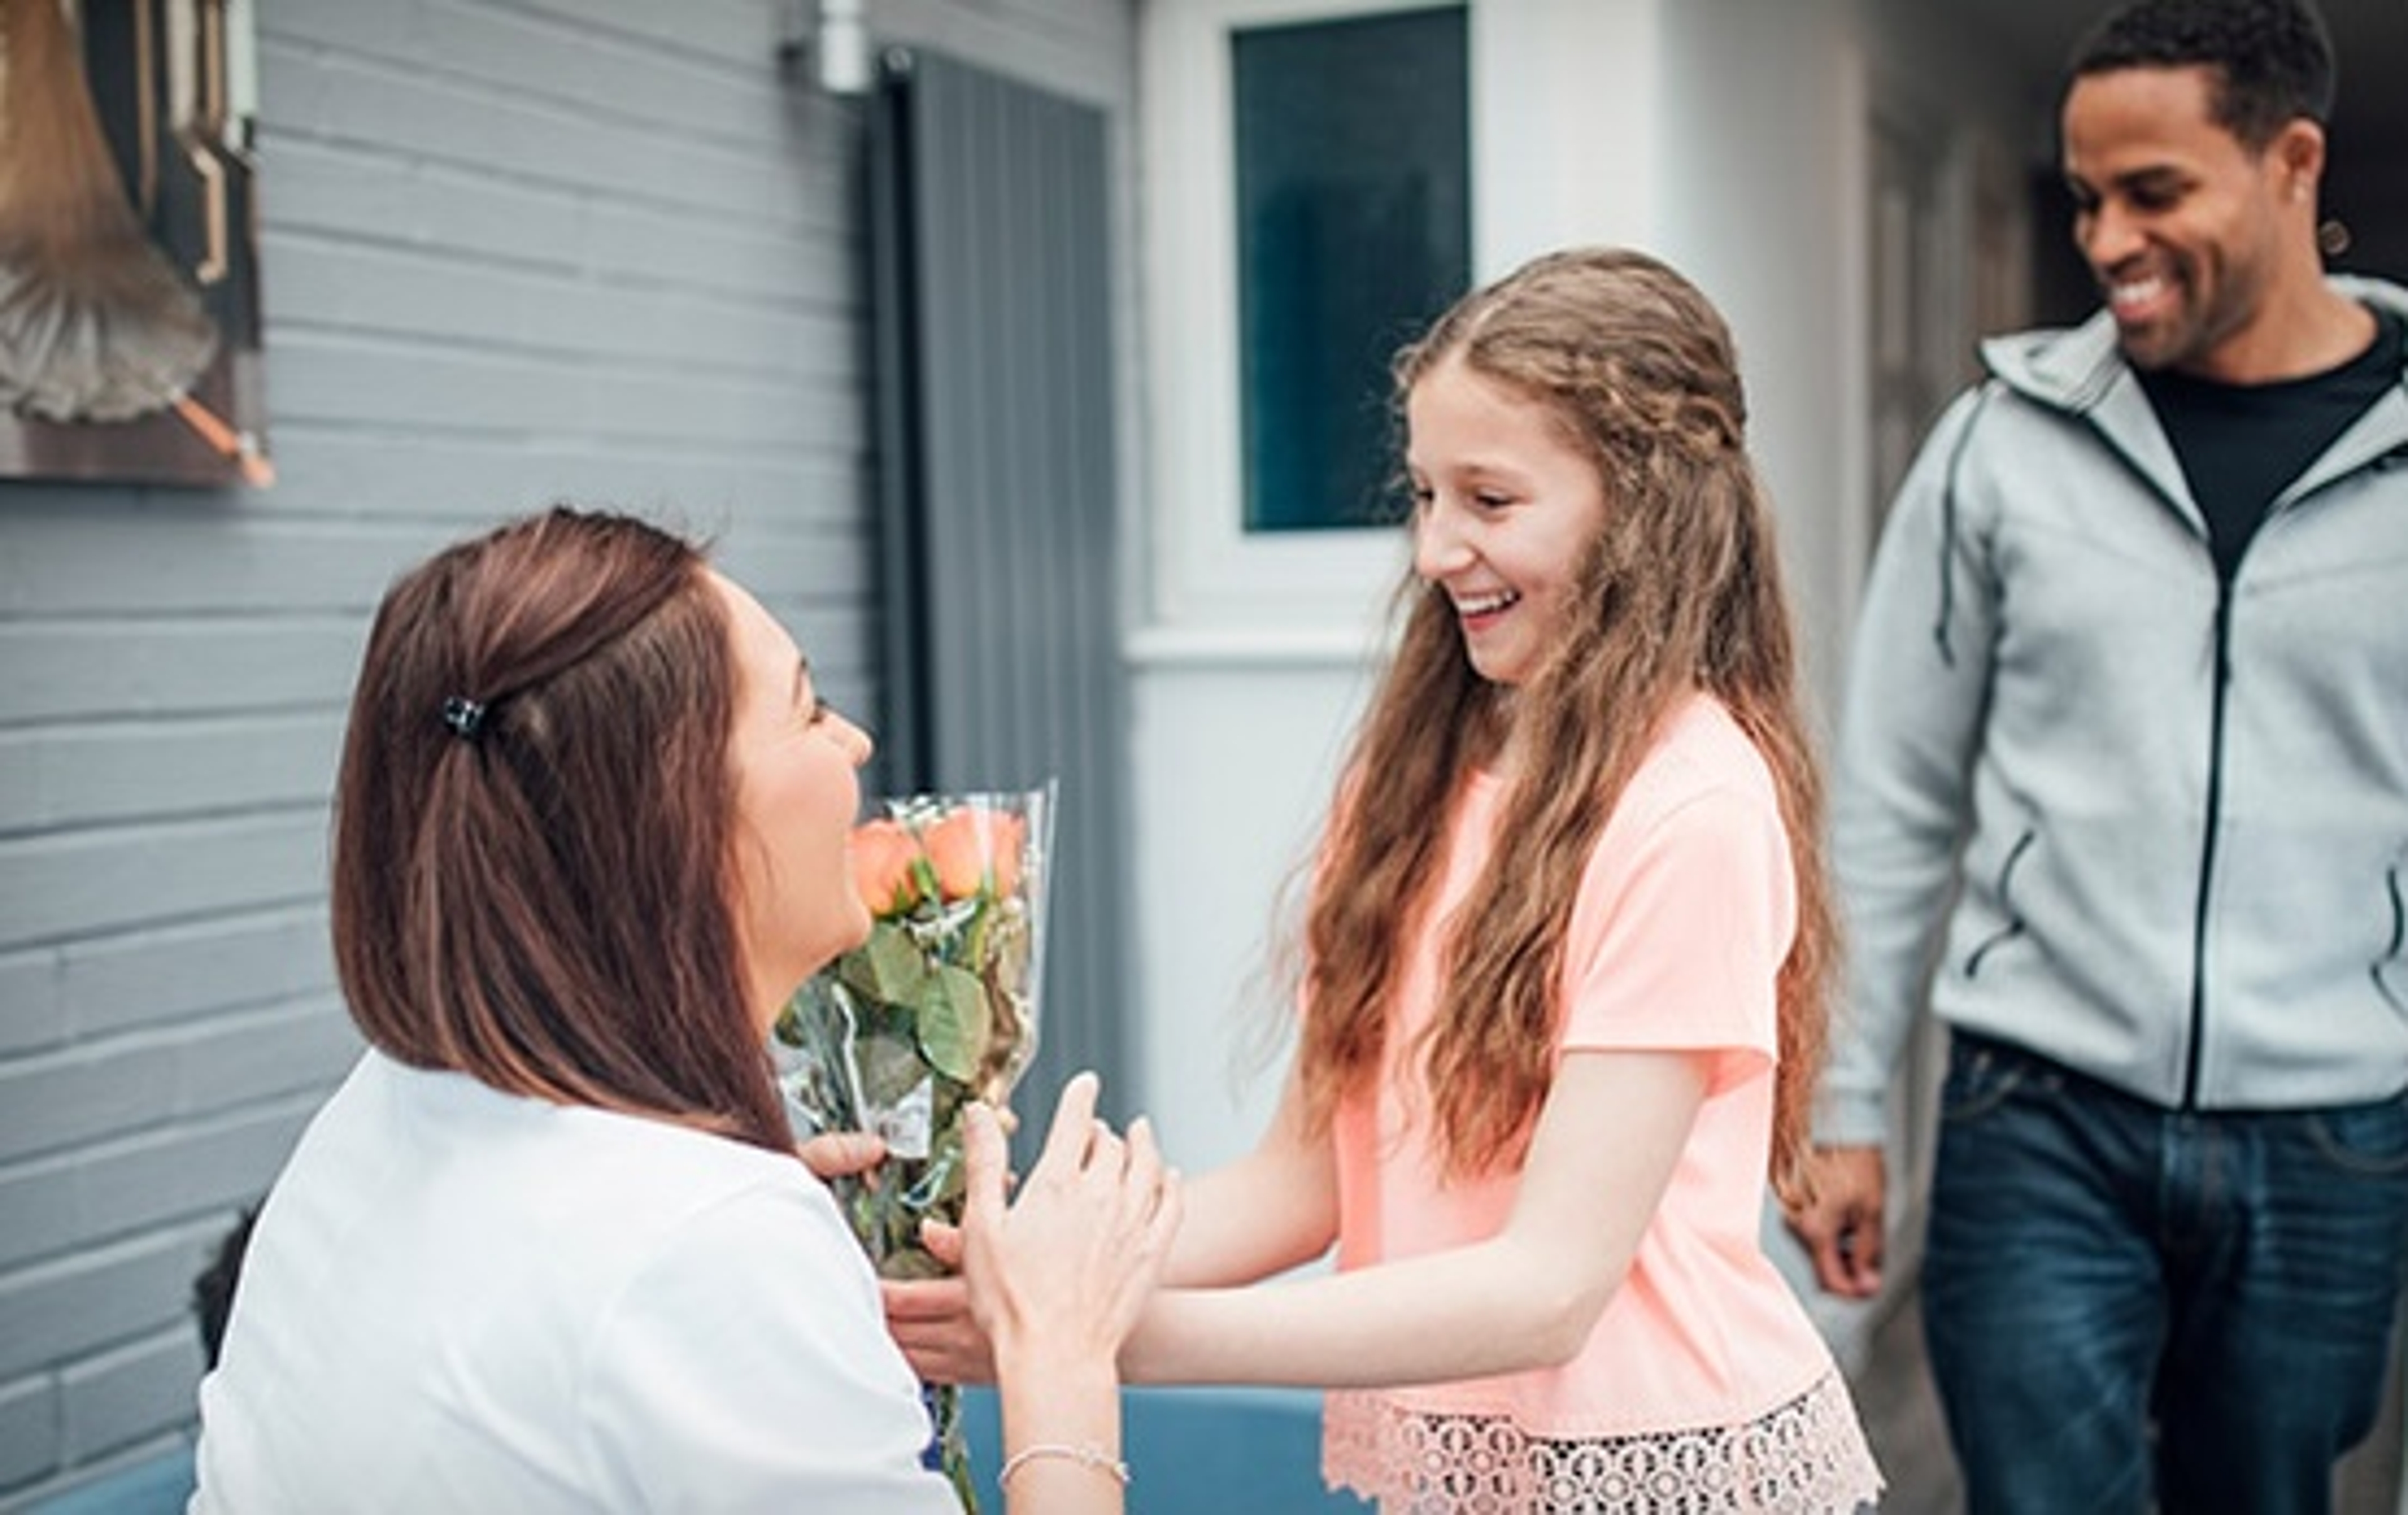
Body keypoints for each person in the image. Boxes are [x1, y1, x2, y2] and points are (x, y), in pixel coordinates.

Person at [892, 247, 1884, 1514]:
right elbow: (1302, 1181)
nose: (1435, 548)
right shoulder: (1412, 779)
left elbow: (1550, 1286)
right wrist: (1023, 1265)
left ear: (1647, 507)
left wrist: (1093, 1344)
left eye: (1490, 498)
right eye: (1424, 493)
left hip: (1668, 1473)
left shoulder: (1690, 803)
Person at [188, 506, 1181, 1514]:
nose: (855, 741)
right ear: (684, 820)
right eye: (807, 710)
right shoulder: (708, 1243)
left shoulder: (375, 1117)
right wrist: (1060, 1351)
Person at [1780, 0, 2408, 1509]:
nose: (2106, 239)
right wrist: (1844, 1099)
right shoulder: (2001, 444)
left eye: (2154, 192)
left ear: (2292, 161)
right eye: (2085, 199)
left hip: (2329, 1129)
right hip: (2037, 1113)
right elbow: (1892, 794)